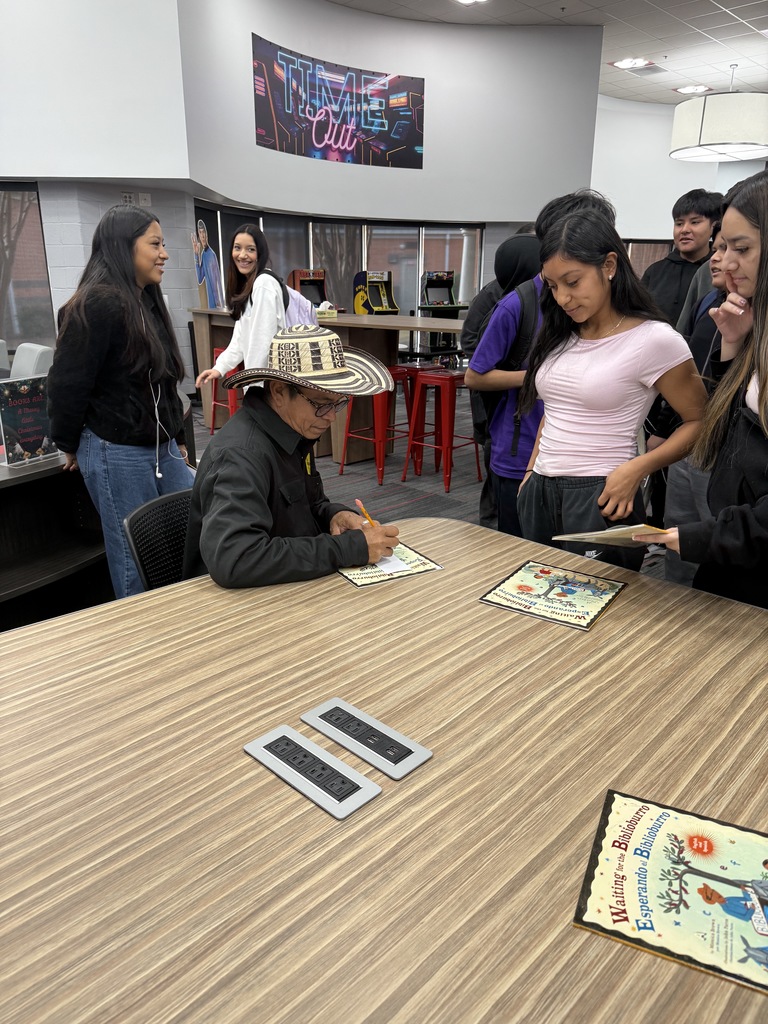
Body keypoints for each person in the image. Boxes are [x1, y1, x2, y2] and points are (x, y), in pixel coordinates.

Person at [516, 210, 707, 571]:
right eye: (553, 286)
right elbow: (555, 413)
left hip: (603, 492)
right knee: (535, 600)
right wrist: (530, 475)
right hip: (540, 488)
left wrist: (637, 470)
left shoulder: (654, 340)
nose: (563, 298)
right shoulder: (561, 334)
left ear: (609, 265)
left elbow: (700, 422)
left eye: (573, 282)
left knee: (601, 610)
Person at [633, 170, 768, 608]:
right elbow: (726, 430)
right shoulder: (752, 326)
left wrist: (704, 536)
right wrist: (733, 344)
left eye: (742, 249)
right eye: (723, 247)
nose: (725, 263)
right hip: (737, 556)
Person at [48, 205, 194, 599]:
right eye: (155, 244)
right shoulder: (95, 304)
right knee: (135, 558)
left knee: (191, 531)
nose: (164, 253)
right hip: (116, 451)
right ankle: (140, 646)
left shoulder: (146, 300)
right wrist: (67, 442)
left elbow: (162, 380)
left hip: (161, 448)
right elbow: (67, 384)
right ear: (122, 247)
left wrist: (176, 437)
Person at [183, 324, 400, 587]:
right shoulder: (241, 455)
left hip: (282, 588)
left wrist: (334, 515)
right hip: (232, 608)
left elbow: (306, 505)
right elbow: (236, 559)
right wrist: (348, 548)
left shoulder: (292, 432)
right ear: (277, 391)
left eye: (338, 403)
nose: (331, 416)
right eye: (321, 404)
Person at [465, 189, 617, 538]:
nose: (565, 295)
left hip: (585, 466)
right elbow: (475, 376)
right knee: (515, 564)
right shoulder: (518, 304)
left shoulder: (611, 313)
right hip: (521, 457)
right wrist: (538, 375)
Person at [659, 226, 727, 585]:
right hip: (690, 440)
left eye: (736, 247)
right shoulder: (709, 300)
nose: (716, 258)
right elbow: (688, 368)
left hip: (724, 452)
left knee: (716, 549)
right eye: (718, 247)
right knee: (679, 541)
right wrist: (665, 428)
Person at [460, 233, 542, 529]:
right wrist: (531, 377)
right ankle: (488, 531)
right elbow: (473, 358)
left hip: (532, 429)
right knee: (502, 490)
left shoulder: (556, 302)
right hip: (505, 416)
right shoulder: (509, 302)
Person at [195, 223, 287, 392]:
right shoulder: (249, 286)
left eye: (250, 249)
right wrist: (219, 368)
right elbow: (240, 340)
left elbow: (263, 343)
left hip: (271, 386)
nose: (242, 255)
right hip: (263, 384)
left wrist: (253, 388)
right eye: (237, 248)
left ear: (260, 254)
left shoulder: (263, 284)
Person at [641, 188, 723, 324]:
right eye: (679, 223)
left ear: (713, 227)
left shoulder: (717, 269)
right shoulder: (655, 271)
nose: (684, 230)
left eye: (695, 222)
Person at [192, 219, 224, 309]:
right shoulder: (203, 254)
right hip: (210, 305)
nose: (202, 236)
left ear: (206, 234)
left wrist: (218, 303)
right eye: (200, 233)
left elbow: (216, 283)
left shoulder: (211, 255)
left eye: (203, 232)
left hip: (216, 305)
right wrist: (196, 255)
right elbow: (200, 278)